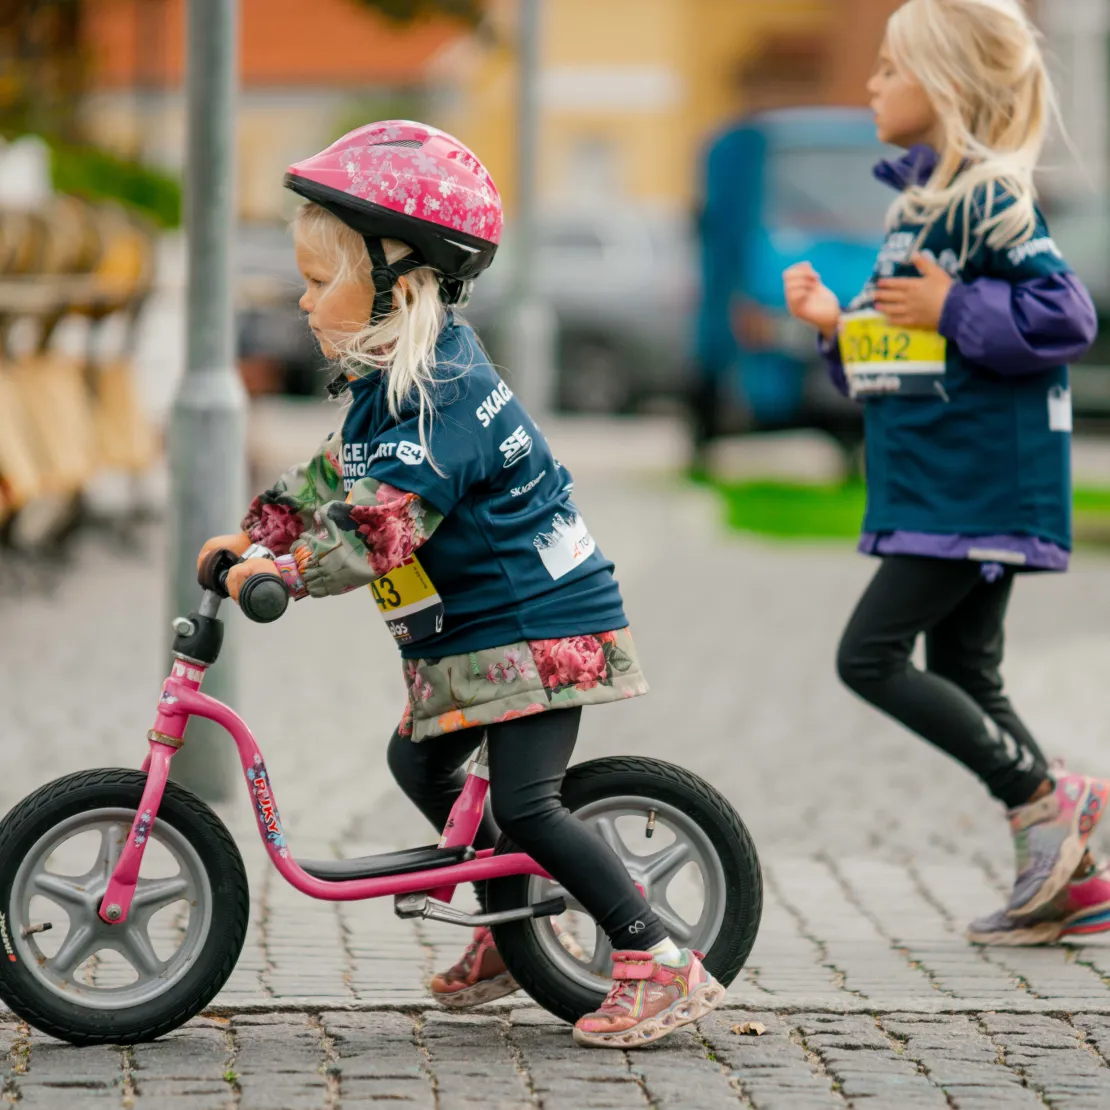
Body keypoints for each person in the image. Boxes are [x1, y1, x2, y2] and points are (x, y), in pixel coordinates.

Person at [198, 121, 725, 1045]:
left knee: (526, 803)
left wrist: (281, 573)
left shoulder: (444, 394)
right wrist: (253, 532)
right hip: (481, 639)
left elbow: (379, 527)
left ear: (399, 282)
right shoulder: (385, 388)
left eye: (323, 280)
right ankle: (511, 916)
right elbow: (333, 477)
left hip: (539, 630)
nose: (304, 298)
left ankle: (657, 958)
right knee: (417, 762)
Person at [783, 0, 1110, 946]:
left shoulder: (991, 200)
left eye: (892, 67)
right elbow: (911, 352)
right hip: (939, 481)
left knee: (870, 656)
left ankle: (1049, 795)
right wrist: (836, 331)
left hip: (980, 487)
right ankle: (1065, 880)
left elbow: (1064, 320)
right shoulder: (919, 206)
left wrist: (953, 302)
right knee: (967, 667)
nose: (873, 83)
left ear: (951, 87)